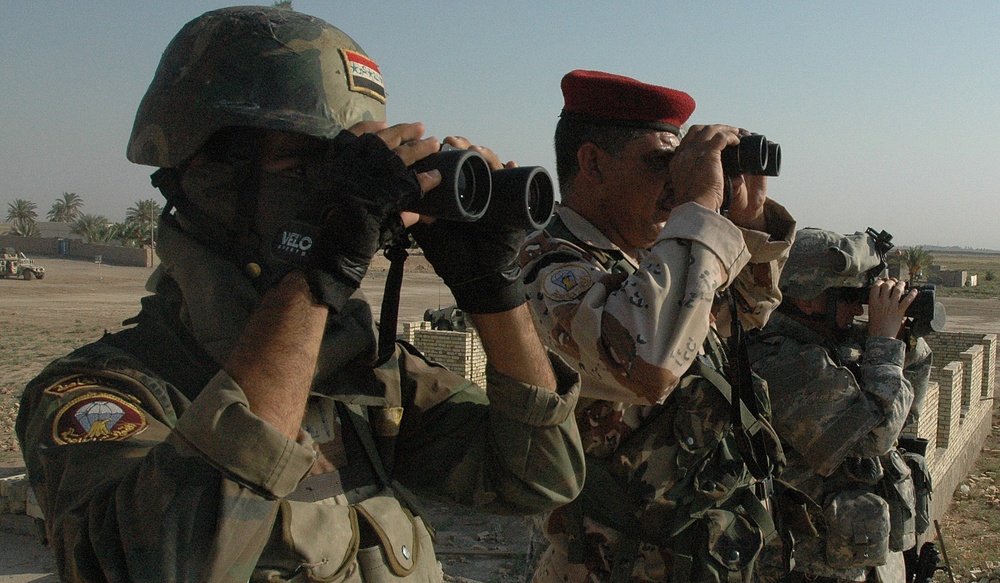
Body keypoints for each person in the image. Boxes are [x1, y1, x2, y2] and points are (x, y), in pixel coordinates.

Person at [15, 7, 585, 582]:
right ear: (208, 174)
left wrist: (491, 288)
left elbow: (538, 478)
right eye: (313, 166)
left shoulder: (364, 376)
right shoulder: (105, 394)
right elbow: (169, 564)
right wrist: (319, 273)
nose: (338, 195)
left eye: (349, 172)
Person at [520, 70, 796, 583]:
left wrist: (747, 220)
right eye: (659, 164)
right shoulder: (549, 265)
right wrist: (697, 213)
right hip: (604, 562)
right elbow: (649, 368)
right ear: (592, 162)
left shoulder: (645, 258)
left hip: (691, 549)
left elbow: (740, 318)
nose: (674, 186)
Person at [746, 227, 934, 583]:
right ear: (806, 300)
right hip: (807, 567)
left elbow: (906, 402)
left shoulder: (829, 344)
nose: (858, 307)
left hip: (856, 556)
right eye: (848, 296)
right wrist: (884, 344)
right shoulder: (781, 362)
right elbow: (872, 437)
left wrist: (906, 336)